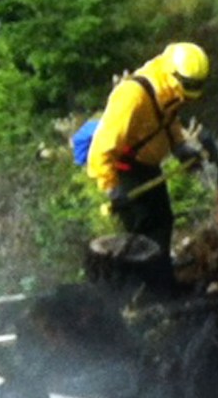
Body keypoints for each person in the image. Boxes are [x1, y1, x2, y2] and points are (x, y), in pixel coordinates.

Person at [85, 41, 210, 265]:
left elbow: (167, 121)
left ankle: (162, 274)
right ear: (174, 75)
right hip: (125, 169)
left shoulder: (168, 91)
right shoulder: (133, 96)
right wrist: (111, 186)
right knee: (145, 230)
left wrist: (180, 148)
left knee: (162, 221)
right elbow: (102, 147)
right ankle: (147, 282)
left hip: (148, 167)